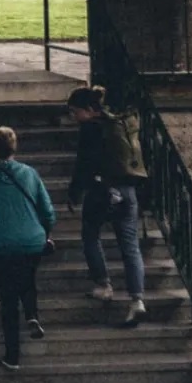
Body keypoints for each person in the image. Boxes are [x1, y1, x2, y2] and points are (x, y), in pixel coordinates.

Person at [0, 125, 56, 371]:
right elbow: (47, 210)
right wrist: (47, 231)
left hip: (2, 243)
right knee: (28, 279)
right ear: (14, 147)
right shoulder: (30, 174)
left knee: (7, 298)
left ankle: (12, 356)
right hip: (32, 240)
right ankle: (32, 315)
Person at [67, 85, 149, 327]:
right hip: (127, 192)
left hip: (101, 191)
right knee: (130, 246)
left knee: (90, 234)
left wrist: (74, 192)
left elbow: (84, 164)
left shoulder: (90, 129)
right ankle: (137, 301)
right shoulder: (118, 124)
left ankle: (103, 285)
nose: (74, 117)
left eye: (75, 112)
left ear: (89, 109)